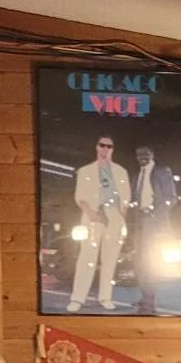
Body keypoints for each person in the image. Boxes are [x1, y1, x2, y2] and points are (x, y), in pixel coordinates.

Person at [67, 133, 132, 313]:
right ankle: (77, 299)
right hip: (93, 214)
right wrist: (91, 213)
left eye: (109, 146)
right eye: (102, 145)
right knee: (87, 258)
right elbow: (79, 196)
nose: (105, 149)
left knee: (110, 259)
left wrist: (120, 217)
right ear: (97, 147)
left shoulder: (120, 171)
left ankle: (105, 297)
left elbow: (126, 197)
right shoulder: (85, 171)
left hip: (114, 215)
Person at [131, 145, 179, 315]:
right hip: (139, 223)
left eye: (146, 153)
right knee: (140, 263)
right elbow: (135, 199)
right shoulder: (137, 176)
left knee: (150, 263)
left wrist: (154, 215)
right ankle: (145, 297)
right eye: (139, 154)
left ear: (152, 154)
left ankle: (150, 302)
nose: (142, 157)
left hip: (155, 224)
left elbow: (171, 198)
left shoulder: (162, 172)